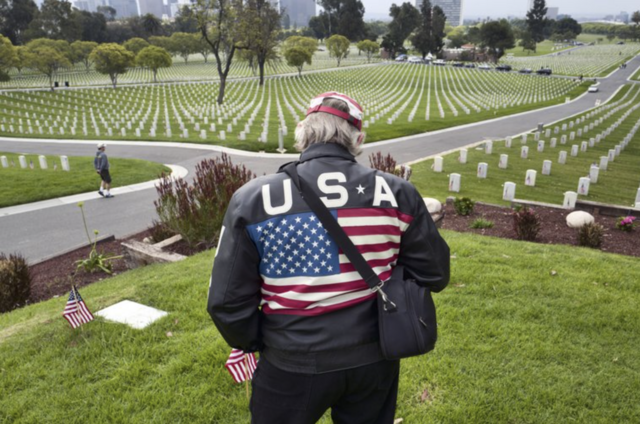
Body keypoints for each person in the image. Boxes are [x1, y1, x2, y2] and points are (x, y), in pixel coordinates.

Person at [207, 92, 450, 424]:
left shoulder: (252, 199)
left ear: (301, 133)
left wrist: (260, 342)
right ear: (358, 139)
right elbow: (434, 274)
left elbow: (225, 300)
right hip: (374, 357)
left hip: (289, 358)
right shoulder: (398, 193)